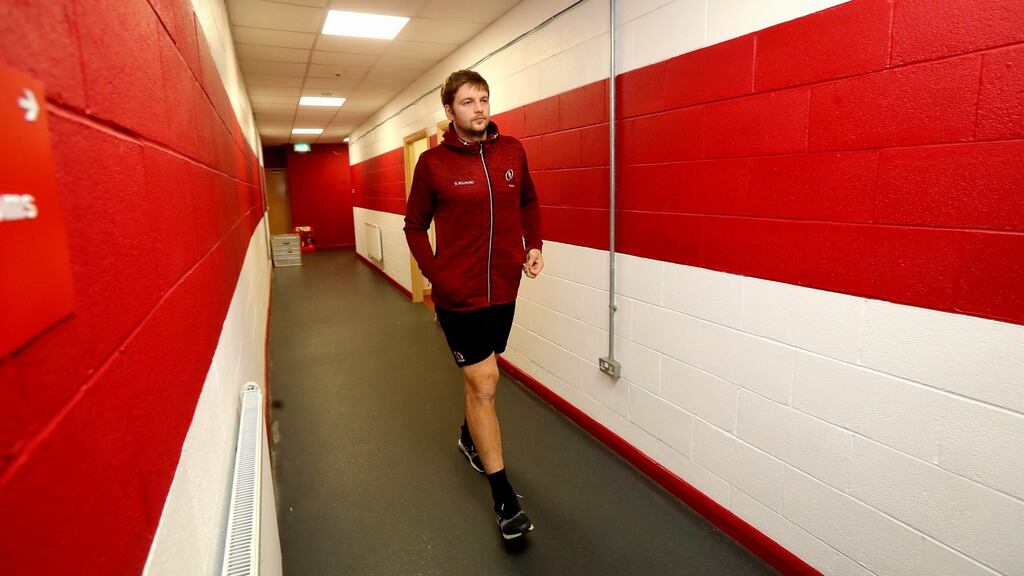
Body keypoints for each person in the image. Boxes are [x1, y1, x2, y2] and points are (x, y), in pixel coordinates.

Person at [404, 69, 544, 540]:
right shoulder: (432, 165)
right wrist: (436, 273)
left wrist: (534, 242)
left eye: (484, 99)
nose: (480, 108)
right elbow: (413, 226)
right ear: (450, 111)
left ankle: (468, 437)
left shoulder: (512, 152)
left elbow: (527, 199)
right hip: (458, 296)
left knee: (483, 375)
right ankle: (503, 498)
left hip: (504, 288)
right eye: (468, 102)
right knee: (484, 382)